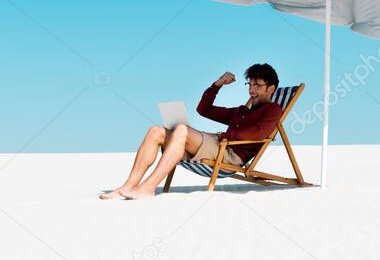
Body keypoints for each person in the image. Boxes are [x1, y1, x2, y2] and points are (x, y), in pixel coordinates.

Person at [99, 63, 282, 199]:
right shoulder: (241, 111)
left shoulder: (272, 110)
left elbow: (258, 133)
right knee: (156, 131)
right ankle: (128, 186)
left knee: (182, 130)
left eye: (257, 85)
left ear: (271, 88)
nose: (251, 90)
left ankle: (148, 187)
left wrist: (224, 136)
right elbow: (204, 110)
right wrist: (217, 85)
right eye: (249, 85)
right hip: (218, 145)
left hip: (229, 155)